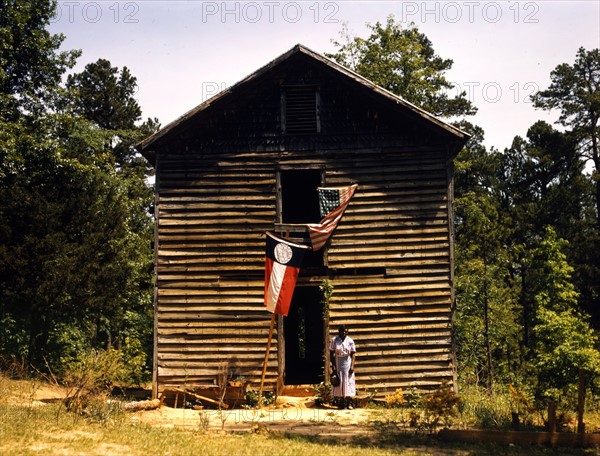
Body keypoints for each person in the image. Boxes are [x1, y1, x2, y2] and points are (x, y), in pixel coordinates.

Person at [329, 324, 356, 409]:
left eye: (345, 331)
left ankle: (348, 403)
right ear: (339, 332)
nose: (343, 333)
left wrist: (352, 366)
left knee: (348, 382)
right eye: (342, 331)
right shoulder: (335, 340)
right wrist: (333, 366)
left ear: (347, 332)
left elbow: (353, 354)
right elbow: (331, 353)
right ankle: (341, 403)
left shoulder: (350, 341)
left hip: (347, 363)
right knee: (339, 383)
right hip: (338, 363)